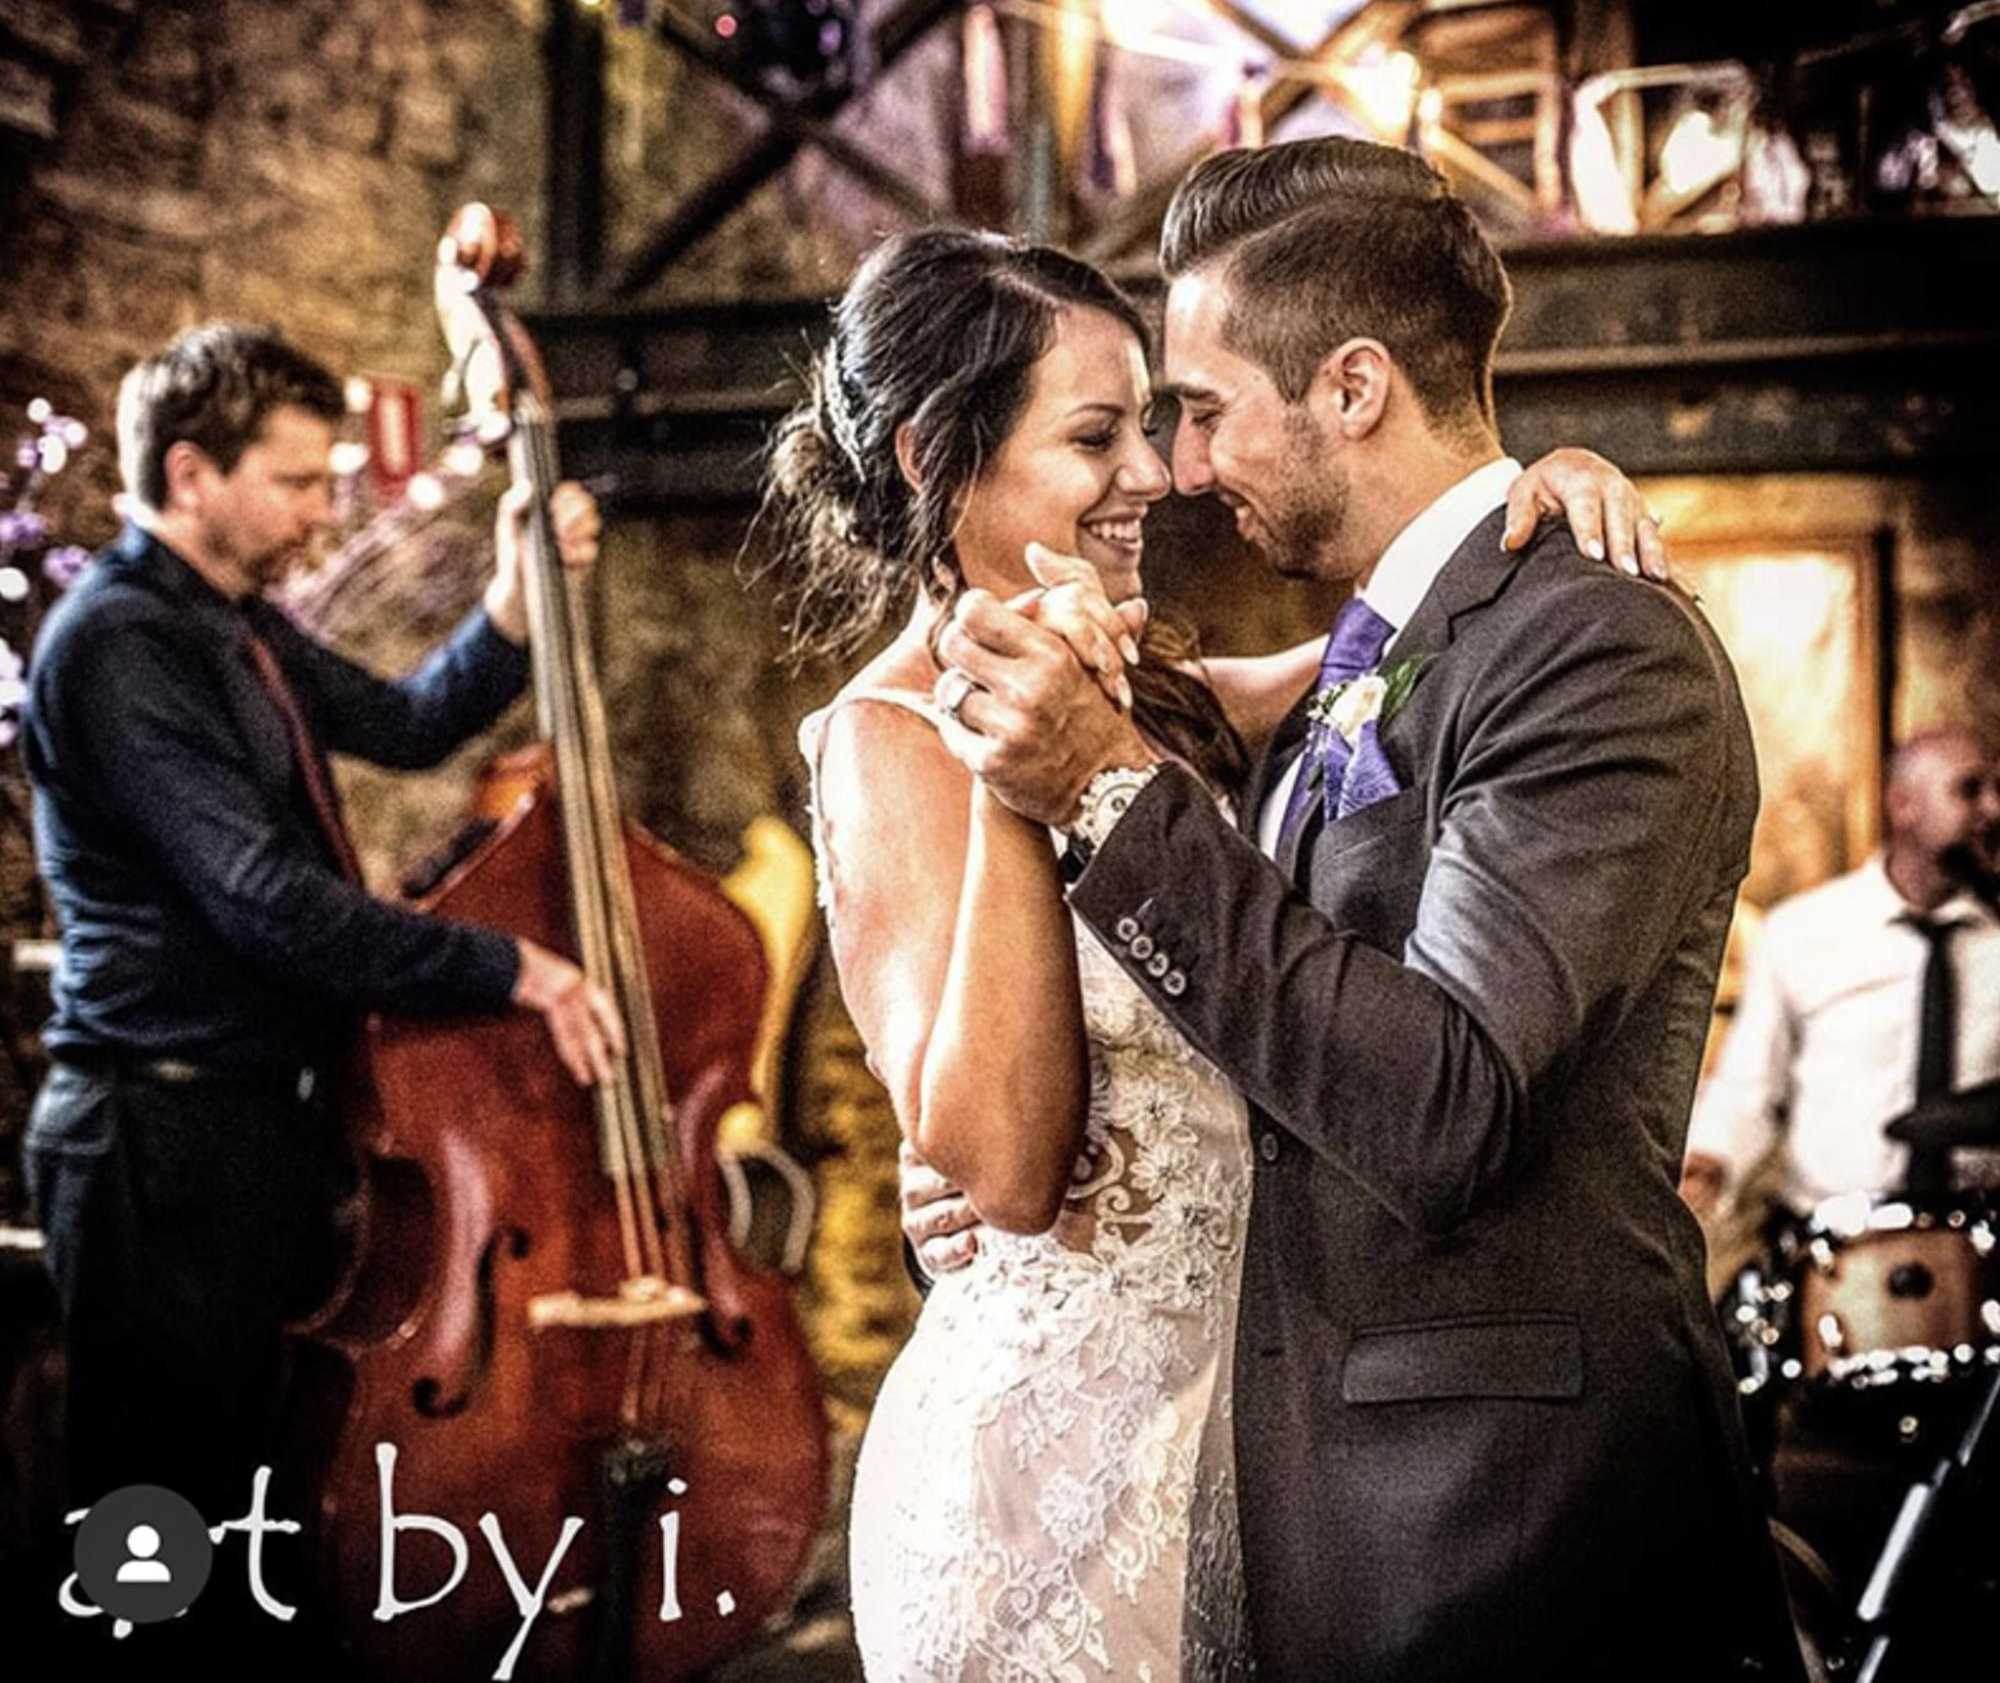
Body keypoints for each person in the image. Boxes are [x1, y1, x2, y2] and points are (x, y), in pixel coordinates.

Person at [921, 137, 1807, 1683]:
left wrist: (1107, 796)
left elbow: (1444, 1102)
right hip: (1318, 1507)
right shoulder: (1382, 644)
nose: (1182, 470)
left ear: (1351, 387)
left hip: (1509, 1535)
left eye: (1201, 412)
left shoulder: (1597, 650)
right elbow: (1262, 982)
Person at [763, 220, 1674, 1682]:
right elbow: (998, 1164)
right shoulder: (883, 747)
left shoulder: (1166, 690)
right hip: (1051, 1484)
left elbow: (1418, 640)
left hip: (1254, 1451)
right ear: (939, 457)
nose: (1154, 476)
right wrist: (1027, 770)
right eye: (1099, 435)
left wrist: (1535, 496)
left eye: (1159, 425)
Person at [18, 322, 623, 1546]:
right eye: (294, 481)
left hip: (247, 1130)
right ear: (191, 476)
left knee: (250, 1497)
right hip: (154, 1134)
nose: (319, 509)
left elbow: (404, 725)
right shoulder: (120, 640)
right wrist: (508, 964)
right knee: (157, 1512)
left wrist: (510, 604)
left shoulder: (233, 618)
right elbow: (265, 899)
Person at [1681, 724, 2000, 1606]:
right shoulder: (1804, 934)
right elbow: (1751, 1086)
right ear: (1903, 804)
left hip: (1979, 1254)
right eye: (1970, 789)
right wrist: (1709, 1162)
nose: (1992, 809)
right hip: (1829, 1249)